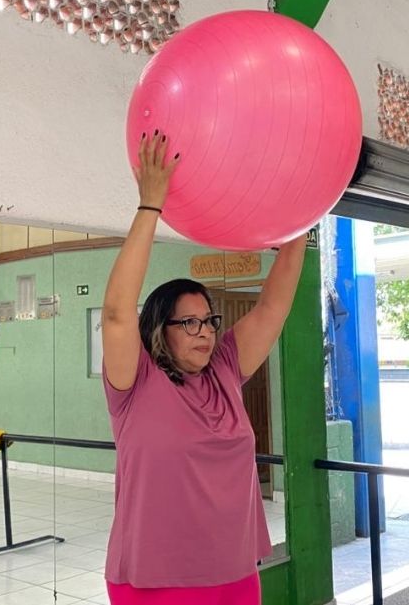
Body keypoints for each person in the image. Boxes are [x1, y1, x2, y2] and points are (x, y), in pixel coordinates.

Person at [101, 132, 307, 605]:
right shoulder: (134, 383)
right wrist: (151, 205)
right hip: (153, 582)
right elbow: (116, 312)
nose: (205, 332)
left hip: (233, 575)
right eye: (188, 322)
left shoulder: (225, 370)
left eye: (209, 320)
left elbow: (273, 308)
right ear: (159, 329)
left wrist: (301, 221)